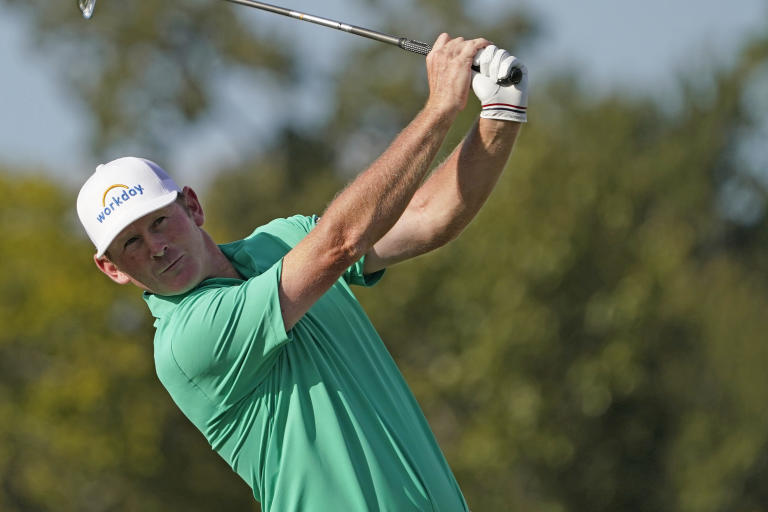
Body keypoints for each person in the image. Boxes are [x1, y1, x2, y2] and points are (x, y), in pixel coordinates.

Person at [76, 34, 527, 511]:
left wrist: (500, 114)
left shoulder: (284, 240)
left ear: (192, 206)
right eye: (132, 243)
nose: (157, 247)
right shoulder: (187, 341)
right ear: (112, 269)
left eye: (160, 222)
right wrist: (439, 108)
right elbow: (338, 244)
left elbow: (429, 217)